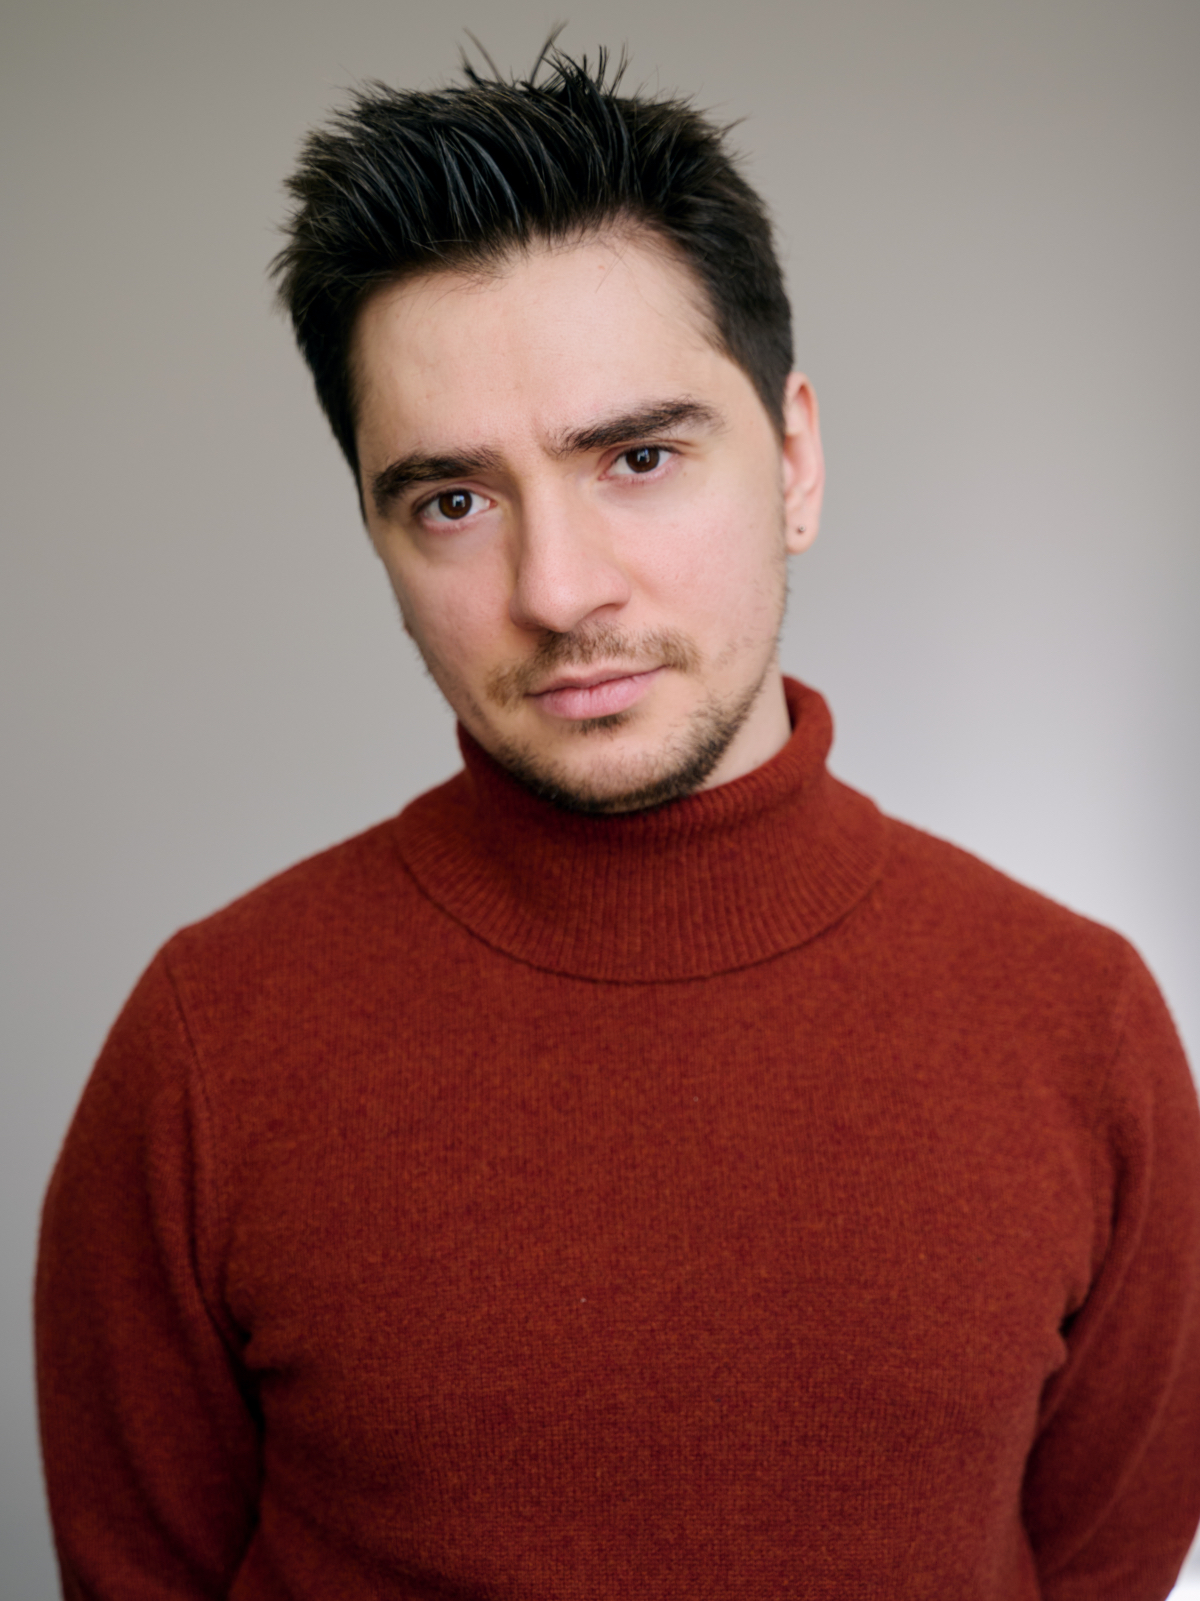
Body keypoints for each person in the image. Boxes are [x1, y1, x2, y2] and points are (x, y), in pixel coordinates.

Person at [35, 45, 1200, 1600]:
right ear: (376, 530)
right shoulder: (209, 1044)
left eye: (638, 458)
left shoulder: (1081, 1025)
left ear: (794, 462)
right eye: (453, 500)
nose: (558, 589)